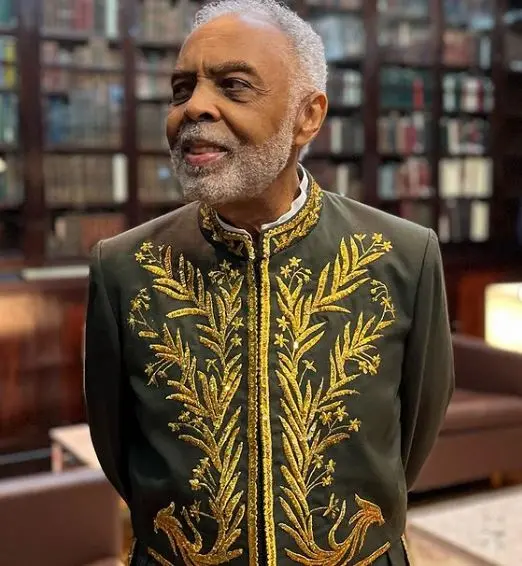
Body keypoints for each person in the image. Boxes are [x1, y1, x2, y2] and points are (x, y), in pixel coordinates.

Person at [84, 1, 454, 564]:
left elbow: (415, 431)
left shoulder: (403, 255)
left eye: (233, 85)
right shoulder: (124, 266)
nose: (194, 107)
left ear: (308, 116)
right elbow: (116, 445)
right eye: (182, 89)